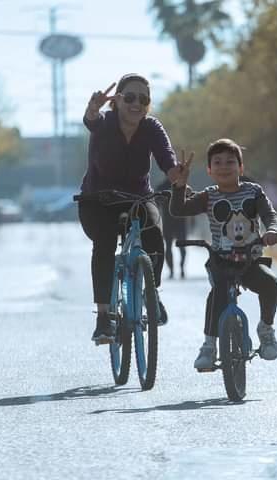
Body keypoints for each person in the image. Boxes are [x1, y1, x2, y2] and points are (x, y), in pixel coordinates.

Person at [78, 73, 182, 344]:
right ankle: (103, 319)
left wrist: (177, 175)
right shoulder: (105, 122)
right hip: (97, 201)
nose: (137, 104)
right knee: (104, 244)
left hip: (137, 199)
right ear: (117, 100)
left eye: (143, 99)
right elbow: (92, 121)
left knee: (154, 235)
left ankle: (152, 294)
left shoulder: (152, 128)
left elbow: (166, 159)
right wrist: (93, 107)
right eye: (130, 97)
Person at [170, 138, 277, 369]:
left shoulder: (253, 192)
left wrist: (272, 230)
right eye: (217, 162)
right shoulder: (208, 196)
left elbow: (270, 215)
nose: (224, 167)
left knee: (270, 284)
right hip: (220, 261)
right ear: (209, 170)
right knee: (217, 295)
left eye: (230, 162)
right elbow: (178, 210)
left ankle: (266, 329)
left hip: (250, 260)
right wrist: (179, 185)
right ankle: (209, 346)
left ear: (241, 168)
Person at [155, 178, 188, 279]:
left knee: (180, 247)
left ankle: (180, 269)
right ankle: (173, 270)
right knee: (171, 247)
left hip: (178, 221)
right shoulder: (162, 188)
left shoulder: (183, 186)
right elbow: (156, 204)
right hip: (171, 221)